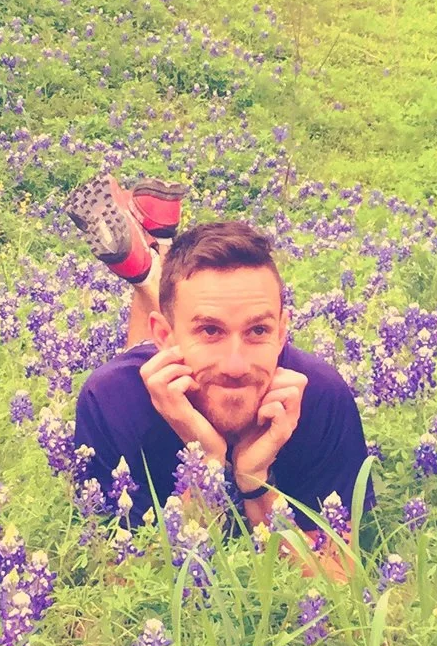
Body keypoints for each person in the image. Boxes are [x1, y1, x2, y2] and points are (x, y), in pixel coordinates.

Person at [67, 177, 368, 540]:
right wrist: (205, 461)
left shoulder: (321, 394)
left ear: (283, 332)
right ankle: (155, 258)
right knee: (136, 371)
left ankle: (153, 265)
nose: (235, 364)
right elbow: (125, 583)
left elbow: (335, 580)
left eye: (258, 330)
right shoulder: (111, 399)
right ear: (162, 336)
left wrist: (254, 484)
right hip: (145, 366)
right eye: (210, 331)